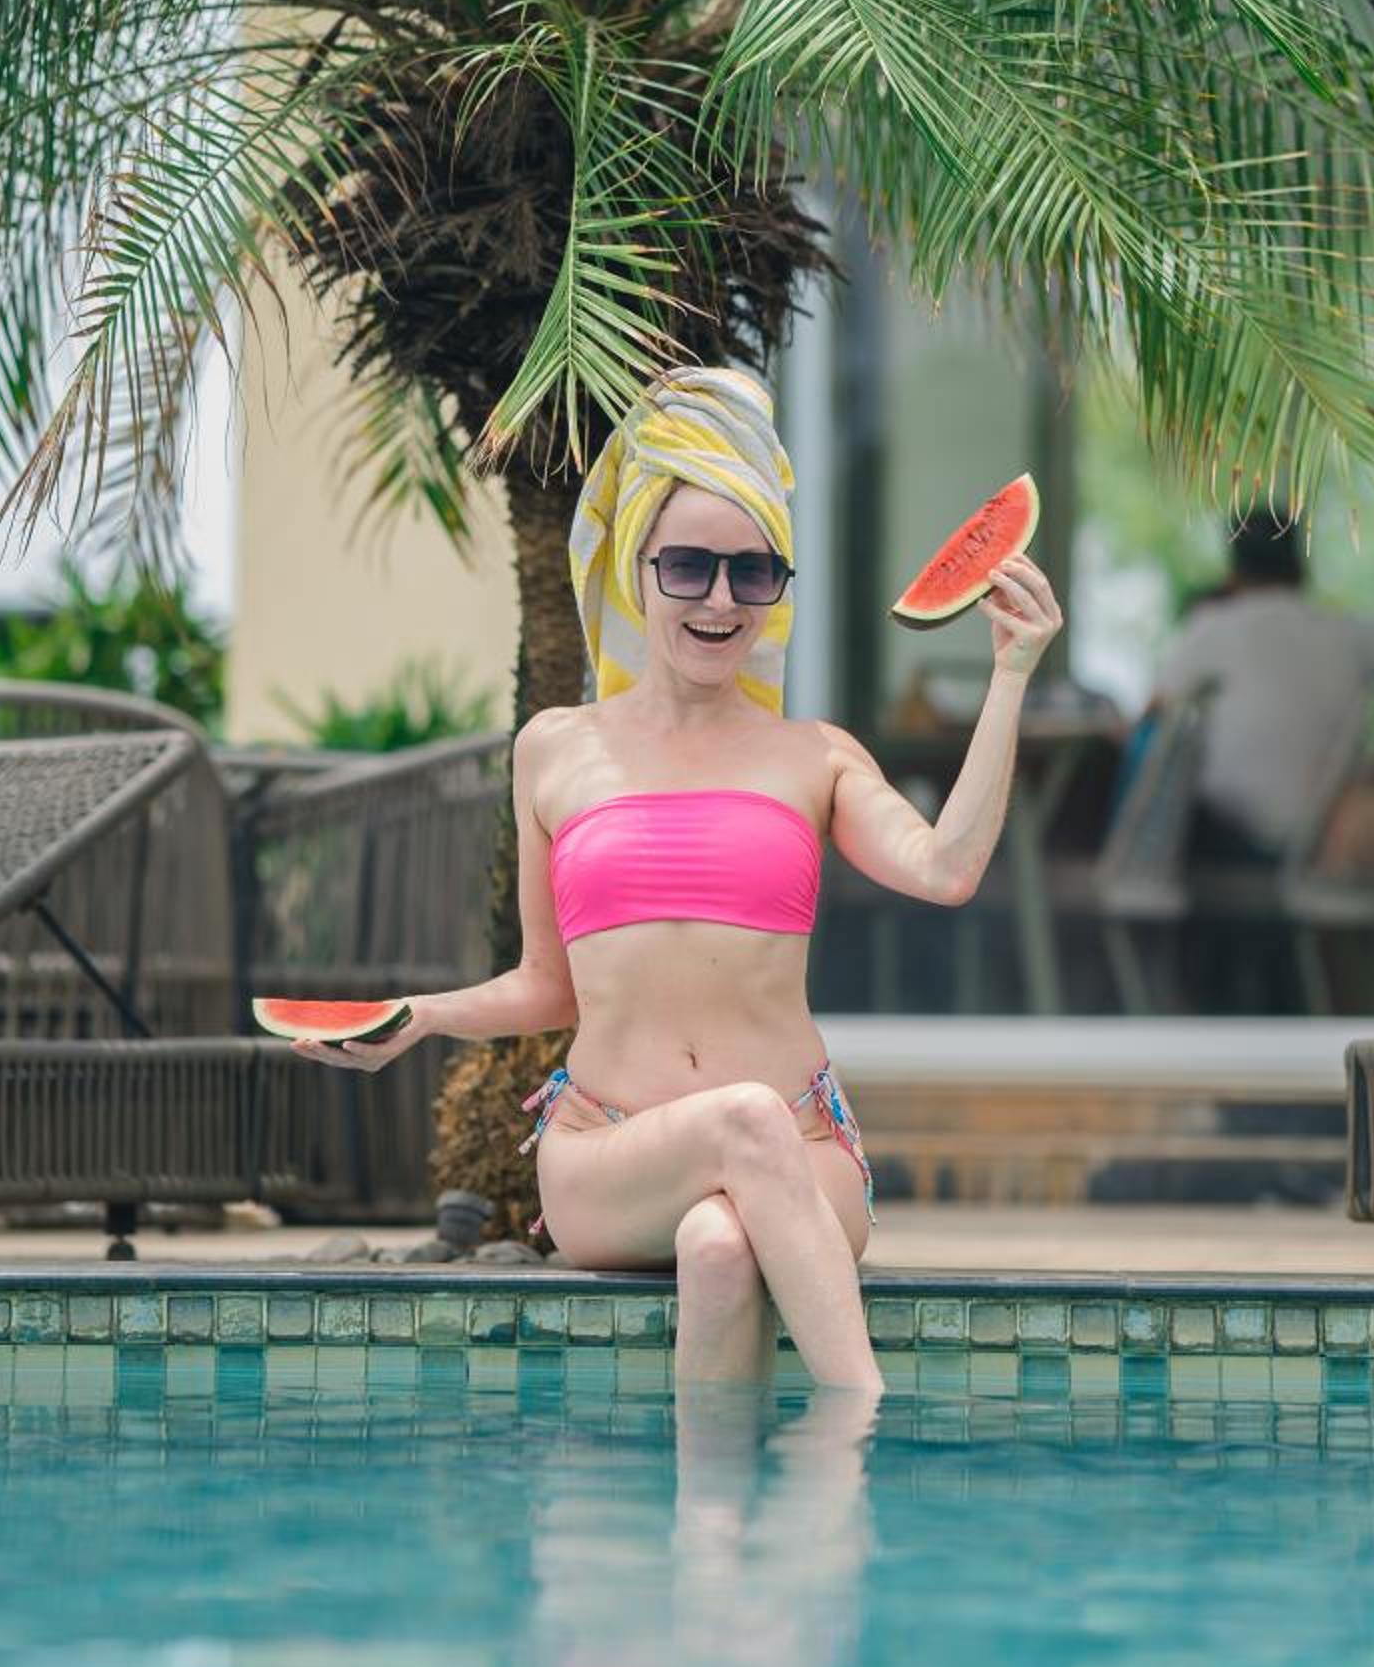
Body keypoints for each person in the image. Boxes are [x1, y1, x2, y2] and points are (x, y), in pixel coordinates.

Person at [294, 362, 1061, 1395]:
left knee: (717, 1245)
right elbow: (549, 985)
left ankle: (720, 1501)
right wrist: (421, 1017)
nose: (720, 599)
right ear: (637, 570)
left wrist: (1009, 675)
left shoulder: (816, 755)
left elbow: (948, 867)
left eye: (753, 572)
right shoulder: (553, 748)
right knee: (739, 1122)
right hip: (605, 1158)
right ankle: (859, 1428)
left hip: (804, 1150)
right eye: (689, 567)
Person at [1147, 506, 1374, 865]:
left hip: (1233, 844)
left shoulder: (1213, 627)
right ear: (1301, 567)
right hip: (1325, 842)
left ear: (1233, 573)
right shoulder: (1349, 631)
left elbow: (1153, 716)